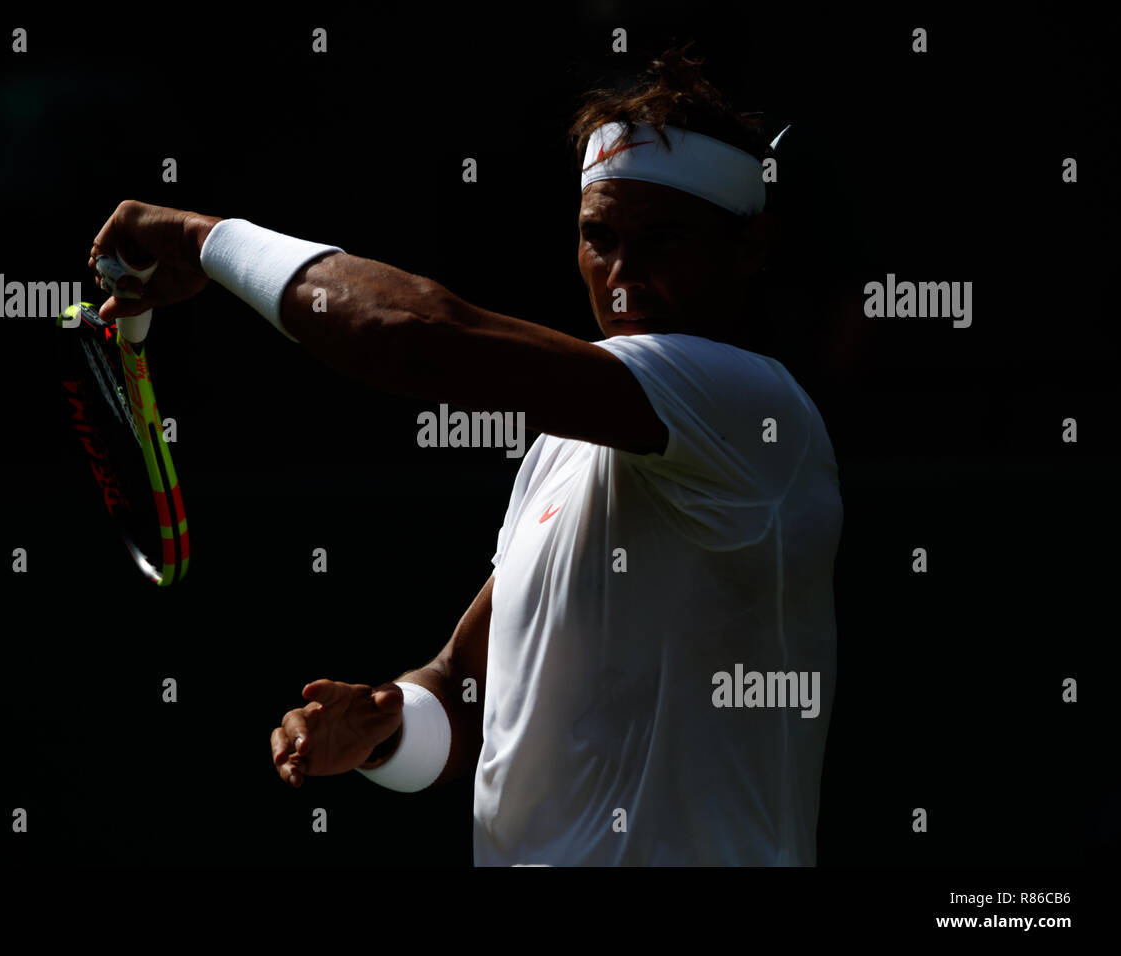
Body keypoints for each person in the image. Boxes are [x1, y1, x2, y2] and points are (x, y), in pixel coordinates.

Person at [89, 44, 843, 866]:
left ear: (748, 248)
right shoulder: (564, 445)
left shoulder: (751, 403)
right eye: (600, 238)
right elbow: (464, 693)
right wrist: (381, 727)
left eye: (663, 244)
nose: (623, 279)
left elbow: (413, 336)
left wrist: (207, 241)